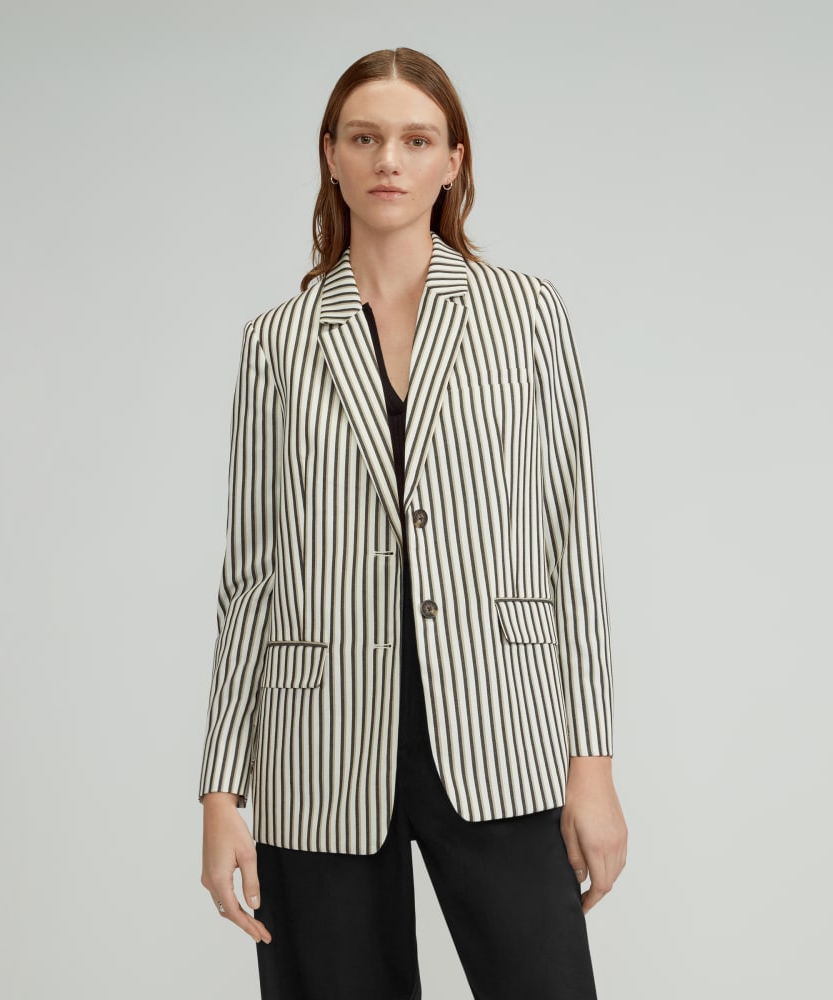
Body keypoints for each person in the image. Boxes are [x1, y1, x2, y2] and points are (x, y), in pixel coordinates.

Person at [198, 47, 627, 1000]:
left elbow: (573, 547)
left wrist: (592, 766)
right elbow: (252, 576)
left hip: (499, 725)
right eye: (365, 138)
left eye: (416, 140)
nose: (388, 159)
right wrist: (221, 790)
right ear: (331, 155)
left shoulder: (526, 316)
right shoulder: (277, 342)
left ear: (453, 160)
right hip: (319, 743)